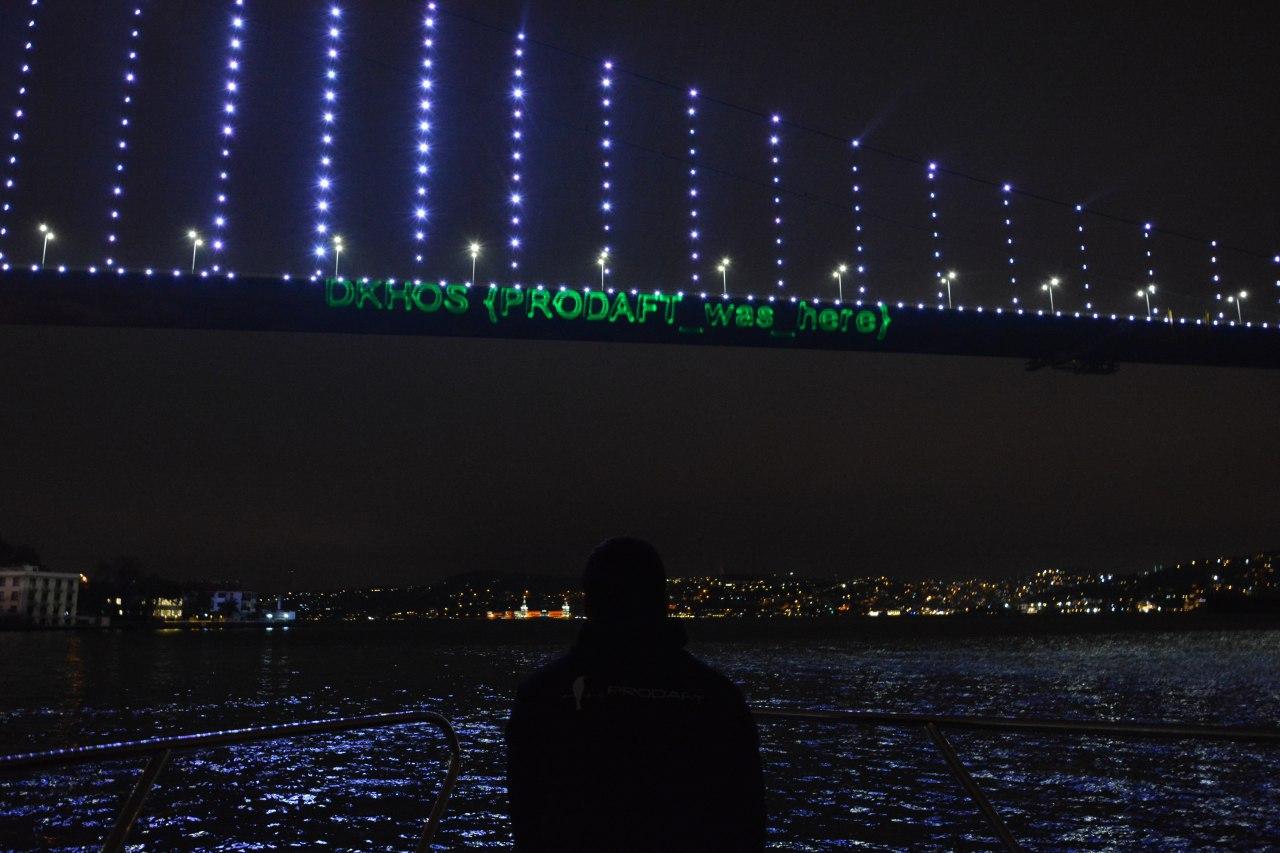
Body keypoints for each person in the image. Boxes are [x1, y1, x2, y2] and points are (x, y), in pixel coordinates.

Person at [505, 537, 766, 851]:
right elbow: (747, 818)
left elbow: (526, 814)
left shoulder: (541, 695)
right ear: (661, 599)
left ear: (589, 602)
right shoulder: (717, 697)